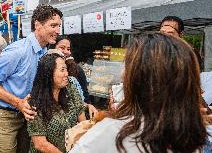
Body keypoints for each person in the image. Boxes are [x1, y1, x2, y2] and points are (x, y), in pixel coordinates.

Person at [70, 33, 207, 153]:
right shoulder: (190, 134)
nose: (122, 74)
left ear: (140, 78)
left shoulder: (113, 132)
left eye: (127, 66)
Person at [0, 4, 63, 153]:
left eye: (59, 26)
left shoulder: (45, 51)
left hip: (27, 116)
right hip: (2, 116)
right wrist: (18, 103)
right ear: (38, 25)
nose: (58, 31)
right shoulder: (18, 51)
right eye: (53, 25)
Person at [27, 53, 86, 153]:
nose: (66, 73)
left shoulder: (70, 87)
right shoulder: (35, 102)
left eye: (66, 69)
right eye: (62, 70)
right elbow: (40, 144)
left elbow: (82, 121)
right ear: (49, 73)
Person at [50, 36, 98, 118]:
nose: (65, 52)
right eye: (62, 48)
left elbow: (83, 99)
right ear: (52, 49)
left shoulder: (76, 71)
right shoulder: (46, 70)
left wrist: (88, 106)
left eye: (68, 49)